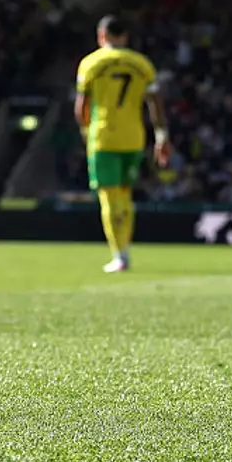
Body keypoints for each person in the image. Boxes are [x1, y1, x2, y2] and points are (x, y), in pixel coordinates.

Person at [73, 15, 171, 273]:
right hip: (133, 138)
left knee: (109, 198)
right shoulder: (142, 64)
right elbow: (155, 104)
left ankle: (119, 255)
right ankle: (125, 251)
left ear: (101, 36)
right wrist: (161, 136)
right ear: (125, 37)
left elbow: (82, 106)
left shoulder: (91, 63)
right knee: (125, 197)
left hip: (103, 136)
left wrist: (85, 133)